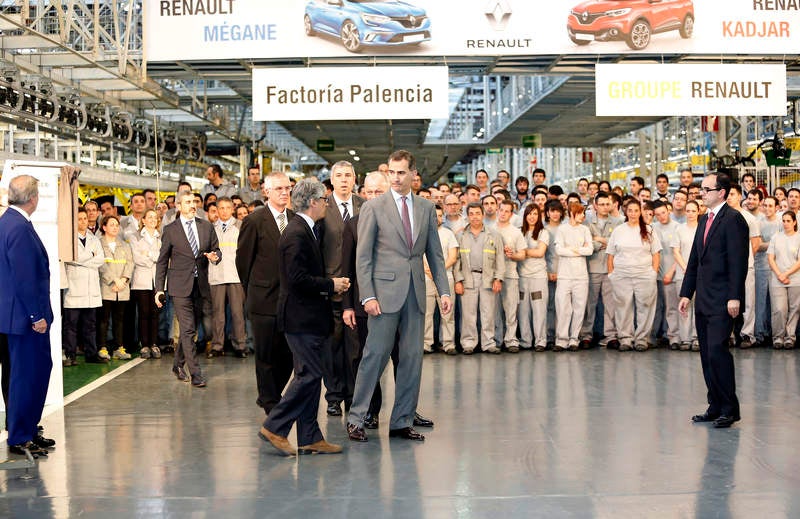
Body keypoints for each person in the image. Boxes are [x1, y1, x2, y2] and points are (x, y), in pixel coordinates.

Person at [347, 150, 452, 443]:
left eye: (401, 172)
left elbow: (436, 254)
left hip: (416, 292)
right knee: (374, 357)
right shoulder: (374, 207)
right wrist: (367, 295)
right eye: (391, 172)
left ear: (412, 174)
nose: (395, 177)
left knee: (411, 359)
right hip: (383, 295)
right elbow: (363, 257)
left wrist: (443, 289)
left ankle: (401, 421)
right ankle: (356, 418)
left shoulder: (426, 208)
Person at [258, 179, 350, 457]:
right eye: (324, 199)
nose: (327, 203)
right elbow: (297, 280)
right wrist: (330, 285)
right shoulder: (297, 233)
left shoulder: (306, 229)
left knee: (310, 374)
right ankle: (275, 426)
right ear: (312, 202)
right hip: (301, 319)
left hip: (308, 318)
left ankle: (309, 436)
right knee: (310, 374)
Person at [679, 172, 748, 429]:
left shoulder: (734, 220)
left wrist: (734, 297)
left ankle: (730, 409)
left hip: (723, 299)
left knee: (719, 352)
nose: (701, 193)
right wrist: (686, 293)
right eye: (701, 189)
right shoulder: (703, 219)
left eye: (706, 189)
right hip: (703, 298)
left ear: (722, 192)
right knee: (707, 353)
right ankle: (715, 405)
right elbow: (695, 260)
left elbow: (738, 263)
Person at [0, 175, 55, 458]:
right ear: (33, 198)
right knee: (25, 376)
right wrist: (36, 315)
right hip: (24, 320)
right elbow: (24, 278)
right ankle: (20, 436)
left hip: (16, 317)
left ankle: (28, 429)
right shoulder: (18, 227)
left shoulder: (10, 222)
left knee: (32, 373)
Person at [236, 172, 294, 415]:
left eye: (287, 188)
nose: (284, 192)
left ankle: (272, 393)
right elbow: (243, 262)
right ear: (266, 192)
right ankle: (269, 400)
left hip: (291, 301)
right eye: (279, 188)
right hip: (263, 300)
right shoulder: (254, 221)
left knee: (289, 354)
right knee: (266, 354)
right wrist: (255, 289)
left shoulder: (295, 219)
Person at [155, 192, 221, 388]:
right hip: (179, 286)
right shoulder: (170, 230)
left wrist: (215, 256)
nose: (193, 205)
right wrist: (159, 288)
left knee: (190, 329)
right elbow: (162, 261)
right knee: (188, 329)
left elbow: (217, 250)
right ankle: (196, 373)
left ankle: (177, 365)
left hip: (200, 285)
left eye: (194, 202)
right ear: (178, 206)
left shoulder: (206, 227)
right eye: (188, 202)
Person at [319, 160, 364, 417]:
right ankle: (334, 395)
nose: (344, 180)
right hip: (332, 287)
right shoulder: (323, 208)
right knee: (333, 346)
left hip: (358, 288)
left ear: (354, 179)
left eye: (348, 175)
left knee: (355, 348)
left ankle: (353, 395)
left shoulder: (365, 206)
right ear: (332, 180)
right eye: (339, 176)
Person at [607, 199, 661, 352]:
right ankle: (625, 338)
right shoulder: (619, 230)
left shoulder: (649, 230)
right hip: (622, 275)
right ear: (626, 212)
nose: (633, 213)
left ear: (640, 212)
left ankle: (641, 339)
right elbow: (610, 254)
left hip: (644, 275)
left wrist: (653, 273)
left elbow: (656, 254)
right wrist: (611, 274)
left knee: (645, 307)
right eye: (630, 210)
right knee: (623, 307)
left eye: (636, 210)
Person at [453, 203, 504, 355]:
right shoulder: (460, 236)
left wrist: (498, 279)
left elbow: (499, 258)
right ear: (467, 216)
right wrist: (458, 280)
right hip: (468, 278)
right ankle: (468, 343)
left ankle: (488, 343)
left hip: (487, 277)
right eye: (472, 213)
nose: (475, 216)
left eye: (477, 213)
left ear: (482, 215)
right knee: (468, 314)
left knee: (488, 313)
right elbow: (456, 260)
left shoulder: (494, 234)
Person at [63, 207, 106, 366]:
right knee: (71, 326)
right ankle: (70, 354)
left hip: (91, 288)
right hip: (74, 288)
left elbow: (100, 259)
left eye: (84, 218)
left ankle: (91, 353)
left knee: (90, 325)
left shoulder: (94, 239)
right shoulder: (68, 238)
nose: (83, 221)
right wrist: (90, 256)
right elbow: (70, 257)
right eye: (79, 218)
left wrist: (84, 260)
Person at [580, 191, 621, 349]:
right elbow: (588, 245)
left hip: (611, 269)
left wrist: (600, 240)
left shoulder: (618, 222)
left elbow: (617, 244)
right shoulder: (587, 223)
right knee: (589, 303)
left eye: (607, 204)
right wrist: (603, 243)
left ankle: (610, 335)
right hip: (592, 267)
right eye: (601, 204)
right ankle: (586, 335)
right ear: (595, 206)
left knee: (611, 304)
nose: (605, 207)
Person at [208, 197, 247, 358]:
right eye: (221, 208)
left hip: (235, 275)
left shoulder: (240, 226)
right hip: (217, 275)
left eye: (227, 208)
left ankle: (240, 345)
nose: (224, 211)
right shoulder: (210, 228)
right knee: (218, 313)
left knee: (237, 313)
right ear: (216, 210)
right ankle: (217, 346)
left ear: (233, 209)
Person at [554, 202, 593, 351]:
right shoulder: (562, 229)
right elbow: (559, 250)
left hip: (581, 276)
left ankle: (574, 339)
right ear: (572, 213)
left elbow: (589, 250)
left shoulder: (585, 230)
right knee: (563, 308)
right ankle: (561, 339)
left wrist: (571, 248)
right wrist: (579, 250)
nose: (583, 216)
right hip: (564, 275)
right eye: (580, 213)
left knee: (579, 308)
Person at [97, 214, 134, 360]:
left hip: (122, 288)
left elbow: (130, 263)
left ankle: (119, 347)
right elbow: (101, 264)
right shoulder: (98, 243)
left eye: (116, 225)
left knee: (119, 319)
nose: (115, 227)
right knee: (104, 319)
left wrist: (123, 280)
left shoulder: (124, 244)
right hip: (107, 287)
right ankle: (103, 347)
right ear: (104, 227)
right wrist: (114, 280)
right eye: (111, 224)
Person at [423, 204, 458, 354]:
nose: (436, 218)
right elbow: (418, 256)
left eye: (438, 215)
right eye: (433, 215)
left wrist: (438, 272)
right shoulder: (421, 233)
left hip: (445, 278)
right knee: (426, 314)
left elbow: (453, 257)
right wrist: (428, 270)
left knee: (447, 314)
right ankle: (426, 343)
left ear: (442, 217)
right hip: (425, 278)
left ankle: (449, 344)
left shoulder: (448, 234)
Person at [494, 199, 526, 352]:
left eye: (507, 211)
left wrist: (512, 255)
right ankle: (497, 340)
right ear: (497, 210)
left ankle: (511, 340)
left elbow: (523, 254)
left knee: (511, 309)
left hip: (510, 275)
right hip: (492, 276)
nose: (503, 213)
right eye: (502, 210)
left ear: (511, 214)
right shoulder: (489, 229)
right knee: (494, 310)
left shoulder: (515, 232)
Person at [131, 209, 162, 359]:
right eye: (149, 217)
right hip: (141, 281)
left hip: (157, 280)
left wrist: (148, 254)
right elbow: (137, 258)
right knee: (143, 313)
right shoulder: (135, 237)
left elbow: (162, 257)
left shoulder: (160, 237)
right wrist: (154, 258)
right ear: (143, 220)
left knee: (155, 313)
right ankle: (144, 345)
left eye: (155, 217)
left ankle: (154, 344)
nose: (152, 220)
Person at [767, 210, 800, 350]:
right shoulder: (776, 237)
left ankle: (790, 337)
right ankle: (778, 337)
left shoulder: (799, 237)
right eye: (784, 220)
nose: (785, 223)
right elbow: (770, 257)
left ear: (794, 222)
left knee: (794, 309)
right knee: (779, 309)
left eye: (788, 221)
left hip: (795, 278)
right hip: (777, 278)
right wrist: (780, 274)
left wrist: (786, 273)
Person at [518, 204, 549, 351]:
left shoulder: (543, 232)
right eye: (529, 214)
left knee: (539, 310)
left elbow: (540, 253)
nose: (532, 217)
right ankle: (525, 340)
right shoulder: (519, 232)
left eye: (535, 214)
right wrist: (528, 251)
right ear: (525, 216)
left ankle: (540, 341)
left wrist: (523, 252)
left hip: (538, 277)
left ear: (539, 216)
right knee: (523, 311)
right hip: (522, 277)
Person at [673, 200, 700, 351]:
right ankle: (685, 338)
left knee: (698, 306)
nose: (690, 213)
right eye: (688, 211)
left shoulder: (702, 228)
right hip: (682, 273)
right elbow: (676, 251)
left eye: (693, 211)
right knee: (684, 306)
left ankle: (697, 337)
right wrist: (685, 267)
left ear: (698, 212)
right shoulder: (679, 229)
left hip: (699, 274)